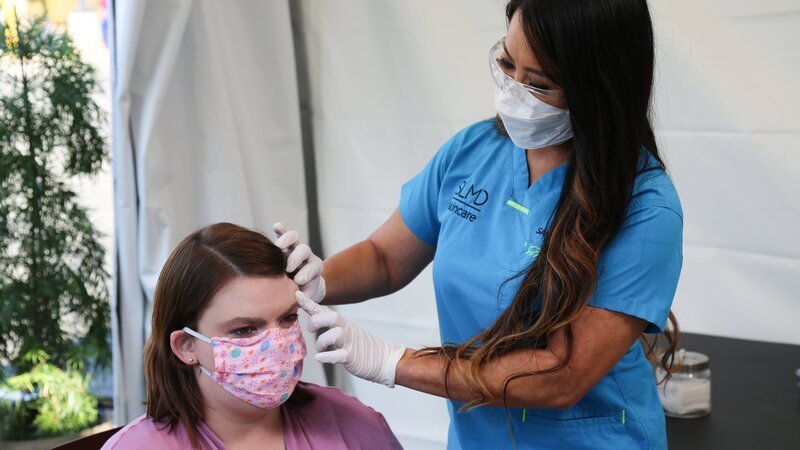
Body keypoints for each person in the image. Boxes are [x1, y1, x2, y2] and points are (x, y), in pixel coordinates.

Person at [277, 0, 683, 448]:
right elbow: (386, 257)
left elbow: (561, 376)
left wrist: (392, 363)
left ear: (598, 88)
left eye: (539, 83)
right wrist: (312, 282)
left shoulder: (643, 207)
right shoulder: (474, 151)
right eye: (507, 64)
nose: (512, 90)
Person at [102, 223, 402, 450]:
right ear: (187, 346)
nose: (277, 343)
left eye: (287, 318)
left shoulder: (354, 426)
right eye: (244, 330)